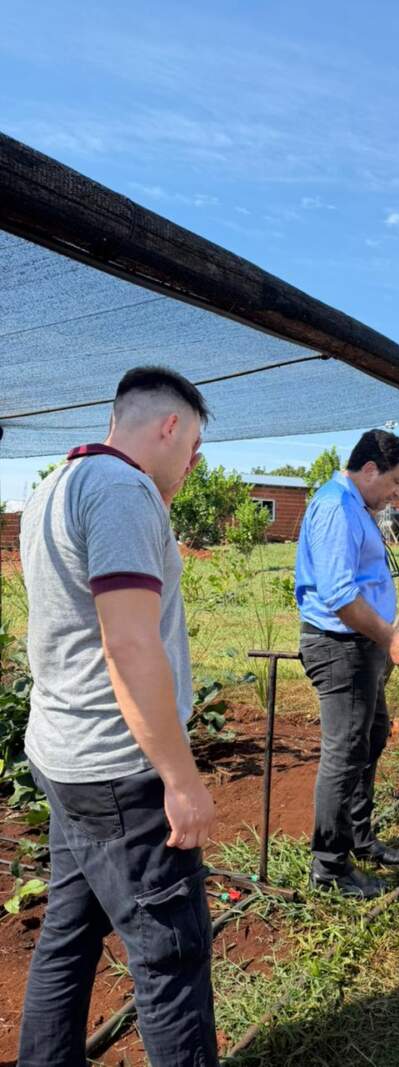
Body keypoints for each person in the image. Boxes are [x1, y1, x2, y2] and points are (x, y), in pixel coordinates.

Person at [18, 366, 218, 1067]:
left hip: (64, 756)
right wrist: (181, 778)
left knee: (68, 938)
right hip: (120, 772)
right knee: (172, 957)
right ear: (168, 425)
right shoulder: (123, 489)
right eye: (192, 444)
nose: (193, 464)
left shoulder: (52, 488)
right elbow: (129, 643)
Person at [296, 429, 399, 900]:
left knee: (370, 737)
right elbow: (339, 596)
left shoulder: (357, 506)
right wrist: (391, 637)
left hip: (359, 646)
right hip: (339, 647)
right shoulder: (335, 507)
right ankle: (329, 867)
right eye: (395, 481)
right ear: (369, 470)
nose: (398, 493)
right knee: (344, 752)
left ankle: (358, 837)